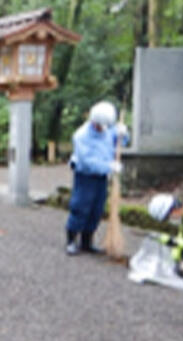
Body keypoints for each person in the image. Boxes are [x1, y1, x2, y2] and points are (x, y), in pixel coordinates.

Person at [65, 101, 128, 255]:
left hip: (102, 177)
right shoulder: (81, 136)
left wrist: (124, 134)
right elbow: (87, 162)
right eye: (101, 125)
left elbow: (120, 143)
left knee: (96, 209)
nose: (104, 129)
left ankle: (87, 242)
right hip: (85, 176)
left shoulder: (108, 129)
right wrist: (109, 167)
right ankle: (71, 240)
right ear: (94, 122)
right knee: (81, 206)